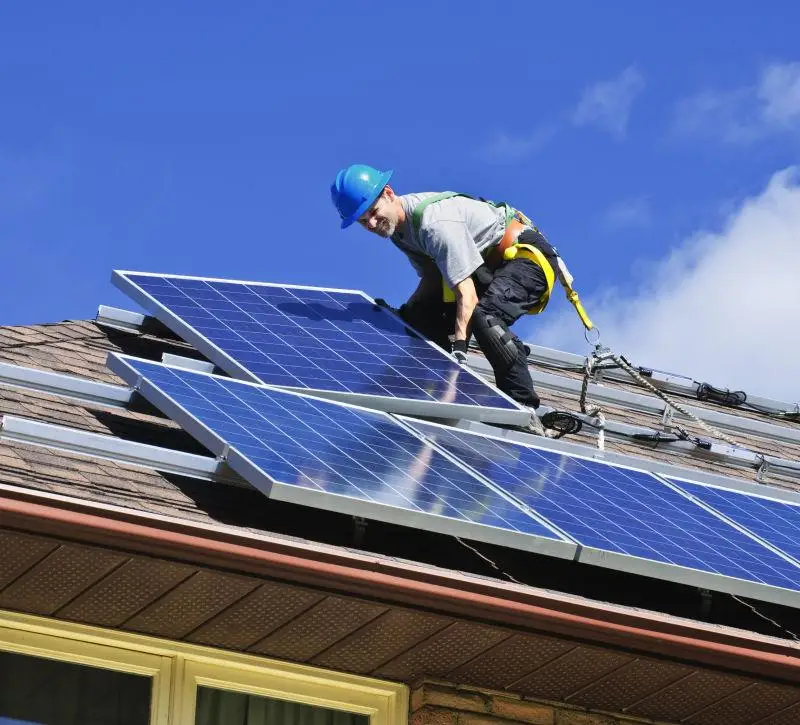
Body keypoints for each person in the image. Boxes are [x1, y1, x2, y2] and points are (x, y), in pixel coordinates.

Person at [330, 163, 569, 422]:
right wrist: (404, 316)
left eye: (374, 213)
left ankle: (522, 407)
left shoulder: (434, 224)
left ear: (388, 193)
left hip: (526, 258)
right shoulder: (399, 233)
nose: (373, 224)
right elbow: (433, 279)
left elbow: (467, 295)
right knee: (418, 319)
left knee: (483, 317)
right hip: (487, 269)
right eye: (364, 222)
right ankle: (427, 388)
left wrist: (459, 351)